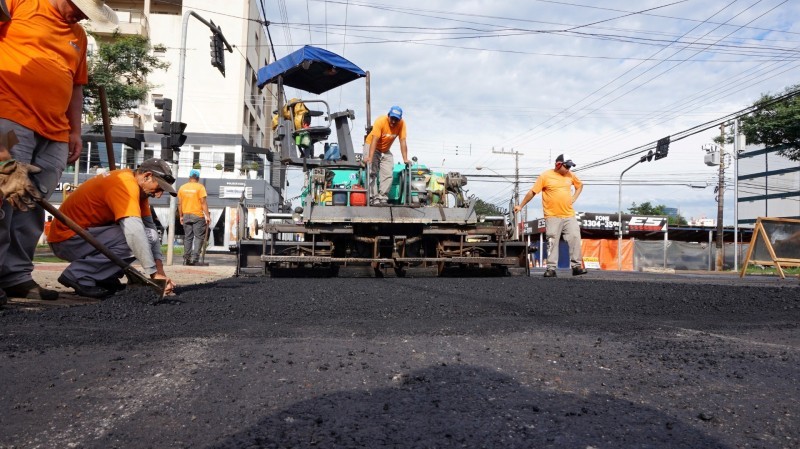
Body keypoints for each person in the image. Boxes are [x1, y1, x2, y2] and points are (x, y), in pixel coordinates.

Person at [0, 0, 117, 302]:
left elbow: (76, 86)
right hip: (11, 117)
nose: (81, 16)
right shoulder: (21, 3)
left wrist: (74, 130)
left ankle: (16, 277)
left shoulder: (78, 35)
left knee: (33, 204)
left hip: (55, 130)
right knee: (5, 193)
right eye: (80, 8)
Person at [48, 158, 177, 298]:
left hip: (83, 237)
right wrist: (154, 275)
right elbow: (135, 233)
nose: (158, 195)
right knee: (142, 236)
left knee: (149, 235)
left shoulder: (138, 190)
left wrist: (160, 272)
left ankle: (103, 276)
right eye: (159, 188)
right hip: (67, 239)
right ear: (147, 176)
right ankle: (78, 275)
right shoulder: (125, 185)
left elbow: (150, 227)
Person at [514, 154, 587, 277]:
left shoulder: (570, 175)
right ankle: (551, 269)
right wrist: (520, 206)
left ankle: (576, 267)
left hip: (569, 215)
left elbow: (580, 186)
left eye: (570, 167)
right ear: (558, 165)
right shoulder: (545, 176)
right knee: (552, 241)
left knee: (575, 238)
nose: (569, 169)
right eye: (567, 166)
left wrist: (574, 197)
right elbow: (532, 192)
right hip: (552, 216)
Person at [364, 106, 409, 205]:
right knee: (372, 171)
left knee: (388, 172)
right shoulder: (380, 121)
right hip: (372, 145)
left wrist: (405, 159)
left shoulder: (402, 124)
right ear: (388, 115)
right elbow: (374, 140)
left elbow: (403, 141)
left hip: (385, 149)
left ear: (400, 119)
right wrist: (370, 157)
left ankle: (383, 197)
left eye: (396, 119)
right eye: (392, 118)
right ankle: (373, 198)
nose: (393, 121)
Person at [177, 169, 210, 266]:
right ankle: (194, 259)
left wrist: (181, 216)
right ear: (198, 178)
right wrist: (207, 216)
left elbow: (179, 204)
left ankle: (186, 259)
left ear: (189, 177)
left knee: (188, 237)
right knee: (199, 237)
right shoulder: (200, 187)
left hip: (186, 215)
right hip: (198, 216)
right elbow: (203, 203)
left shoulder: (182, 188)